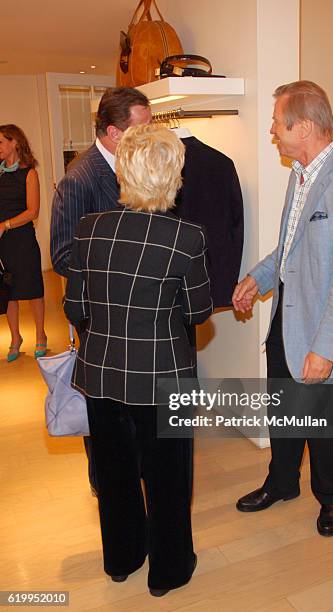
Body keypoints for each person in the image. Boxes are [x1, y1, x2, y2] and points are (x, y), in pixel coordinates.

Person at [63, 124, 213, 595]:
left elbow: (75, 308)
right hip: (163, 377)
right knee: (168, 479)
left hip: (103, 373)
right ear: (174, 176)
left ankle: (122, 560)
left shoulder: (90, 230)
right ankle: (168, 571)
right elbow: (198, 310)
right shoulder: (186, 238)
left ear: (124, 172)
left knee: (115, 474)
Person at [233, 81, 333, 536]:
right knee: (283, 411)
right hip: (287, 322)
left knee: (328, 428)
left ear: (306, 127)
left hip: (327, 336)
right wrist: (256, 278)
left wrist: (326, 348)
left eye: (278, 122)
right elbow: (290, 248)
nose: (272, 131)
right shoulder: (300, 176)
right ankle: (281, 483)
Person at [50, 87, 151, 495]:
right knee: (103, 408)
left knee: (132, 405)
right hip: (99, 314)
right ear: (113, 131)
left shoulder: (135, 165)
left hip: (135, 314)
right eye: (141, 128)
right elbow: (61, 255)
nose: (149, 135)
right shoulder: (80, 177)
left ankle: (136, 470)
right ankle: (105, 482)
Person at [0, 124, 47, 362]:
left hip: (22, 240)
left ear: (14, 142)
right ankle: (15, 338)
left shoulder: (29, 173)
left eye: (0, 142)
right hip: (1, 243)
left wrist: (5, 225)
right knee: (7, 292)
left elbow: (33, 211)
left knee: (33, 289)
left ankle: (40, 335)